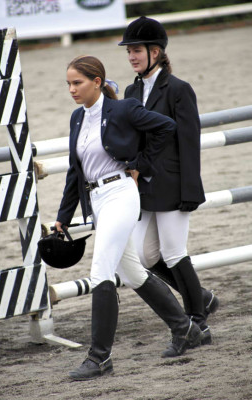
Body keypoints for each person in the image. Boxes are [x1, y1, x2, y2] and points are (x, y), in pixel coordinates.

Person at [55, 55, 204, 381]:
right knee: (133, 271)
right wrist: (63, 217)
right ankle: (186, 329)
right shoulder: (76, 118)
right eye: (68, 84)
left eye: (77, 83)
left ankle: (99, 358)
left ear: (97, 81)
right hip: (96, 199)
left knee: (101, 271)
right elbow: (74, 171)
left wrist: (141, 163)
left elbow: (167, 126)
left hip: (121, 195)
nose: (71, 90)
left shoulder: (122, 109)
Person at [118, 16, 219, 345]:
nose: (131, 57)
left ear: (156, 52)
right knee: (144, 257)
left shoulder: (177, 89)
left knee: (174, 252)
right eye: (129, 51)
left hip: (173, 184)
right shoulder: (132, 90)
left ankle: (197, 322)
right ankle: (199, 297)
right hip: (144, 186)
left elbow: (189, 142)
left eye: (136, 51)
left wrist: (191, 190)